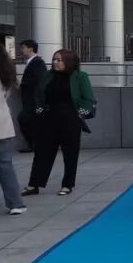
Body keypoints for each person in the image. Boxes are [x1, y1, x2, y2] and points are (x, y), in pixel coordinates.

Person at [22, 49, 95, 197]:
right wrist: (39, 110)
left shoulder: (80, 76)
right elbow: (38, 95)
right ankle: (34, 184)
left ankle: (67, 184)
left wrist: (80, 113)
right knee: (41, 153)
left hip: (70, 120)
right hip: (48, 119)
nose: (55, 62)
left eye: (59, 60)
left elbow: (88, 98)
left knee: (70, 154)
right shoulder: (47, 75)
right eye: (54, 59)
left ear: (69, 61)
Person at [0, 44, 26, 214]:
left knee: (4, 166)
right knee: (5, 166)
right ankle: (16, 203)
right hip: (2, 124)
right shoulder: (6, 73)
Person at [17, 39, 45, 153]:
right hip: (29, 99)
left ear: (31, 48)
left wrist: (22, 85)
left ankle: (34, 144)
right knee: (29, 121)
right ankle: (34, 145)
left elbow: (39, 80)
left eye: (23, 47)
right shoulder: (31, 62)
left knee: (24, 119)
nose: (21, 50)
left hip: (33, 99)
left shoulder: (38, 62)